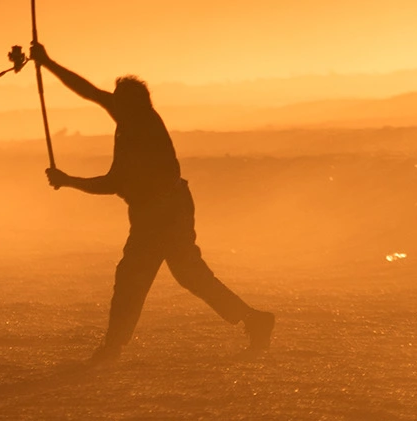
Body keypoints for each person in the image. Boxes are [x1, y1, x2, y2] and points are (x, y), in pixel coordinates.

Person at [31, 42, 275, 360]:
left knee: (133, 275)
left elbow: (113, 183)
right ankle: (255, 320)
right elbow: (88, 91)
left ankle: (113, 346)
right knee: (189, 274)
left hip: (161, 213)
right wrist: (47, 62)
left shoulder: (141, 133)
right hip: (168, 207)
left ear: (130, 105)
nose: (110, 104)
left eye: (117, 100)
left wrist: (68, 181)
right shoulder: (134, 115)